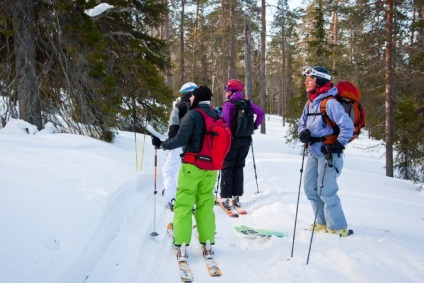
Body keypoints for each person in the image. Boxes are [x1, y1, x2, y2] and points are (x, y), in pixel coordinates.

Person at [151, 85, 217, 259]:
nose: (191, 99)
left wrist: (161, 144)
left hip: (192, 166)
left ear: (198, 97)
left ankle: (181, 245)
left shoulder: (192, 115)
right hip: (211, 169)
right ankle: (208, 242)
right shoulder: (216, 114)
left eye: (193, 97)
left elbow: (180, 139)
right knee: (205, 204)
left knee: (184, 204)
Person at [298, 66, 354, 237]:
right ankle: (321, 222)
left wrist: (338, 144)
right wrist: (302, 133)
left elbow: (347, 126)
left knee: (326, 191)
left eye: (310, 78)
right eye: (307, 79)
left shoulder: (330, 103)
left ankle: (338, 227)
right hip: (314, 153)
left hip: (329, 153)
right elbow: (301, 123)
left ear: (320, 80)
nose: (306, 82)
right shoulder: (310, 103)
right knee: (310, 188)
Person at [219, 79, 265, 209]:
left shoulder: (229, 104)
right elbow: (261, 113)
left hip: (232, 140)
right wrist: (254, 126)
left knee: (228, 167)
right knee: (239, 167)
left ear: (232, 91)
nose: (225, 92)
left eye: (227, 90)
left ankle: (226, 198)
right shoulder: (248, 103)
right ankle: (236, 197)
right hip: (245, 140)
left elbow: (226, 123)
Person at [162, 82, 197, 210]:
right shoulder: (200, 106)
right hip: (197, 146)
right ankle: (190, 199)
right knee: (189, 172)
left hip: (180, 143)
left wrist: (169, 144)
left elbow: (173, 127)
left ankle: (172, 198)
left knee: (168, 171)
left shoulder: (180, 106)